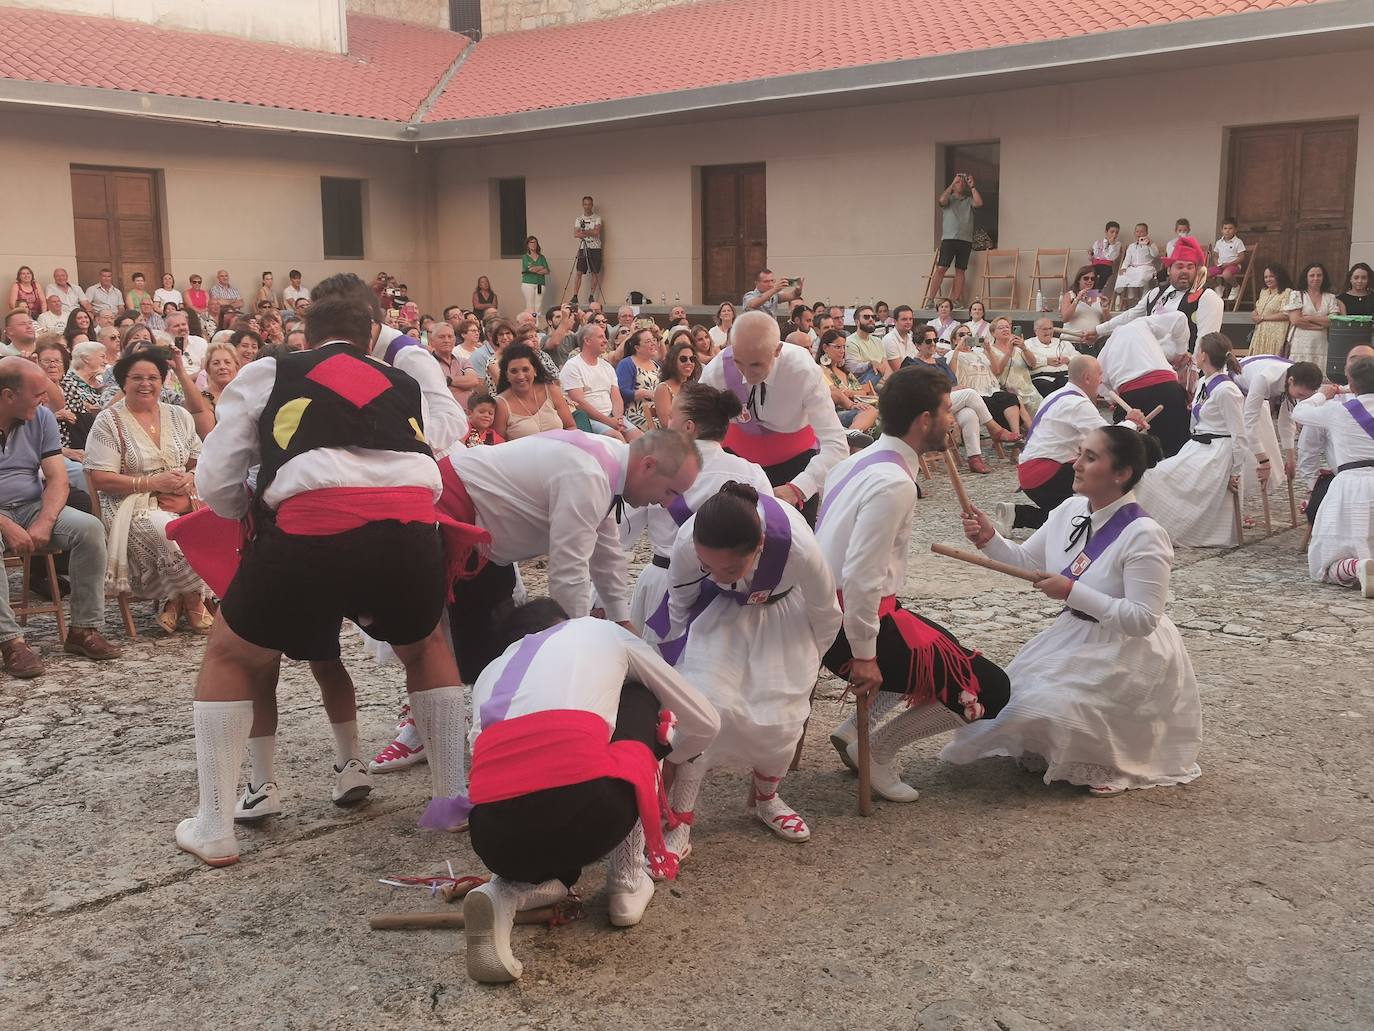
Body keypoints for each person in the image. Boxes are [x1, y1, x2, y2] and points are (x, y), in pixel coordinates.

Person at [173, 274, 467, 867]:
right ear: (371, 337)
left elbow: (217, 479)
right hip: (411, 531)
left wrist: (249, 511)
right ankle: (452, 801)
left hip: (312, 529)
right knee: (427, 643)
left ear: (305, 334)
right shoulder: (404, 381)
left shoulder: (269, 372)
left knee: (232, 654)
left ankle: (213, 826)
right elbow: (442, 437)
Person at [456, 602, 719, 983]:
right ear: (565, 623)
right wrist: (670, 755)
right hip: (595, 813)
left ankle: (505, 892)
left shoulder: (489, 674)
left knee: (538, 802)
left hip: (493, 837)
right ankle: (626, 883)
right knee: (642, 693)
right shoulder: (597, 631)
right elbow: (706, 720)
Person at [944, 426, 1201, 797]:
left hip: (1128, 651)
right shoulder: (1069, 509)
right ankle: (1067, 747)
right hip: (1075, 634)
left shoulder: (1144, 533)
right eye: (1079, 453)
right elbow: (1027, 560)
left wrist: (1072, 591)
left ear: (1122, 473)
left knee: (1054, 705)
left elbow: (1144, 619)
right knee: (1010, 700)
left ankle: (1110, 759)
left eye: (1090, 457)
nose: (1075, 464)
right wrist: (989, 539)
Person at [815, 366, 1011, 799]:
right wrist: (866, 655)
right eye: (946, 411)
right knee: (991, 687)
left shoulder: (860, 459)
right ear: (924, 420)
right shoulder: (893, 483)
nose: (952, 420)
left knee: (947, 645)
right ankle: (880, 750)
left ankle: (854, 733)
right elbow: (862, 576)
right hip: (848, 626)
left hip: (836, 611)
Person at [652, 481, 841, 850]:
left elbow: (826, 612)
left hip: (784, 616)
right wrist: (670, 654)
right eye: (709, 565)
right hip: (719, 612)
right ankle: (681, 820)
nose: (718, 573)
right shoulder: (691, 540)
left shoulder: (798, 548)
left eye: (730, 567)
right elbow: (680, 598)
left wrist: (809, 661)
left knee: (783, 718)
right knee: (702, 707)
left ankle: (767, 800)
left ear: (759, 547)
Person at [438, 428, 700, 686]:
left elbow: (607, 551)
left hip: (487, 539)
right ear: (648, 466)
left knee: (496, 649)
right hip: (452, 517)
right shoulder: (589, 474)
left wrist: (621, 619)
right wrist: (577, 643)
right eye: (670, 492)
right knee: (454, 654)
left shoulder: (610, 462)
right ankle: (438, 723)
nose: (666, 504)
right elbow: (569, 570)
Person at [0, 357, 122, 677]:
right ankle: (11, 642)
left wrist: (43, 520)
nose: (46, 399)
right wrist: (7, 525)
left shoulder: (41, 418)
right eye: (38, 393)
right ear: (8, 395)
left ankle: (84, 629)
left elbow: (57, 478)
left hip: (29, 505)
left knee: (90, 529)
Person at [82, 349, 211, 634]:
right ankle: (193, 600)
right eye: (137, 378)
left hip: (182, 497)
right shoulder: (109, 420)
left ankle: (173, 600)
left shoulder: (178, 415)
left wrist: (189, 479)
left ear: (162, 381)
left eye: (153, 377)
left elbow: (198, 460)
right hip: (129, 502)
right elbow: (100, 478)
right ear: (123, 382)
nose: (146, 384)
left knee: (217, 521)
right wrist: (151, 484)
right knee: (167, 530)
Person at [626, 383, 773, 632]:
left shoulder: (653, 466)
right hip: (727, 593)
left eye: (672, 416)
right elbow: (766, 537)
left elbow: (621, 532)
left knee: (657, 666)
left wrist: (601, 597)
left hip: (664, 587)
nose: (667, 422)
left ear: (688, 427)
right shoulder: (752, 473)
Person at [698, 310, 847, 524]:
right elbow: (699, 432)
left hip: (796, 463)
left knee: (795, 540)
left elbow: (836, 444)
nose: (746, 374)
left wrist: (798, 489)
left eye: (757, 364)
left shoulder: (803, 371)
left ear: (777, 350)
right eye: (739, 362)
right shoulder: (717, 370)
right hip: (739, 463)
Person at [1135, 332, 1248, 548]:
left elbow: (1239, 434)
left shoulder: (1227, 390)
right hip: (1197, 447)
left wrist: (1236, 471)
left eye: (1197, 349)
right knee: (1154, 474)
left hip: (1215, 453)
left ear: (1203, 355)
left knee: (1158, 477)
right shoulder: (1204, 382)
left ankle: (1161, 527)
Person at [990, 355, 1121, 533]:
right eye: (1099, 374)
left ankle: (1016, 514)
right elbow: (1110, 438)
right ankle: (1112, 522)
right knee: (1079, 516)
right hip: (1046, 475)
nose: (1102, 380)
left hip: (1032, 473)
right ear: (1088, 378)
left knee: (1065, 517)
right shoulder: (1078, 404)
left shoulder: (1055, 396)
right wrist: (1131, 422)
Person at [1085, 236, 1224, 380]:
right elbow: (1130, 316)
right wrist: (1098, 331)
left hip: (1184, 377)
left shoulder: (1207, 297)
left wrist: (1192, 373)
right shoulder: (1156, 293)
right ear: (1169, 270)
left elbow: (1206, 342)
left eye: (1190, 267)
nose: (1185, 271)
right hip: (1151, 369)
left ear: (1197, 270)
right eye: (1179, 266)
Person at [1294, 356, 1374, 592]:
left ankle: (1356, 566)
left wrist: (1324, 394)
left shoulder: (1337, 411)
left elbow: (1300, 411)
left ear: (1352, 382)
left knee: (1325, 563)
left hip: (1351, 486)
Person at [1096, 311, 1192, 458]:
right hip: (1168, 389)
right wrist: (1180, 352)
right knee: (1178, 452)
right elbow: (1180, 318)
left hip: (1132, 396)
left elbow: (1102, 386)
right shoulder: (1140, 324)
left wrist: (1113, 401)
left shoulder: (1104, 352)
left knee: (1129, 454)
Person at [947, 319, 1024, 438]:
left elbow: (997, 370)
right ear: (954, 339)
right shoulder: (952, 353)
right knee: (990, 403)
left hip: (992, 389)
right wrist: (958, 349)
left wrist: (988, 349)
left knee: (1010, 399)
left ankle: (1016, 435)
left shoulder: (979, 353)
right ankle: (1005, 435)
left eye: (969, 335)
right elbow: (952, 373)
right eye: (962, 335)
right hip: (974, 392)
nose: (966, 337)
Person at [560, 322, 634, 440]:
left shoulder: (607, 366)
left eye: (605, 336)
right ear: (587, 341)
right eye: (600, 337)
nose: (605, 340)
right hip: (588, 420)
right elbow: (579, 402)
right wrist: (609, 422)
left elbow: (616, 396)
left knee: (639, 438)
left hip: (612, 417)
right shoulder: (572, 366)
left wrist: (618, 419)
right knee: (616, 437)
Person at [492, 343, 576, 440]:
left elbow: (571, 427)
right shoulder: (501, 404)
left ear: (535, 370)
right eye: (514, 371)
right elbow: (499, 444)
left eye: (525, 369)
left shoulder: (551, 390)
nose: (520, 376)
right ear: (507, 375)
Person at [926, 173, 982, 305]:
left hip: (965, 240)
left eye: (963, 182)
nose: (960, 184)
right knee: (941, 269)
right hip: (949, 238)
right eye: (958, 182)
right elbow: (941, 201)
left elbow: (979, 203)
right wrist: (951, 184)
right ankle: (930, 299)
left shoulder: (969, 200)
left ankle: (956, 299)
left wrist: (972, 186)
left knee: (960, 270)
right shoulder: (949, 199)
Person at [818, 331, 878, 435]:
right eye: (837, 347)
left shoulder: (845, 372)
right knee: (870, 411)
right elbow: (837, 393)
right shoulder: (820, 369)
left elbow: (862, 392)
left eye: (844, 347)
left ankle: (854, 437)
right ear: (825, 347)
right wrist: (853, 394)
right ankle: (852, 435)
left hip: (857, 409)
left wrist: (850, 393)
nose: (842, 351)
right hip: (835, 413)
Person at [1285, 262, 1340, 368]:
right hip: (1300, 345)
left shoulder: (1330, 297)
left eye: (1319, 275)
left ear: (1324, 277)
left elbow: (1333, 320)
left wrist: (1311, 318)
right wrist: (1321, 325)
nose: (1316, 278)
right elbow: (1296, 320)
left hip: (1322, 344)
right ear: (1306, 277)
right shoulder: (1297, 295)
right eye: (1312, 275)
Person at [616, 328, 661, 430]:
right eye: (648, 341)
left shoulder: (656, 365)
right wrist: (644, 393)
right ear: (637, 347)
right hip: (636, 413)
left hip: (656, 412)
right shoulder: (627, 364)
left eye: (654, 340)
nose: (653, 343)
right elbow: (621, 391)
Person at [651, 338, 699, 430]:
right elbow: (667, 425)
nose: (689, 363)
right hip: (676, 439)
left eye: (692, 359)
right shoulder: (663, 389)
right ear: (673, 362)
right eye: (683, 359)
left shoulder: (694, 386)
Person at [1248, 264, 1293, 356]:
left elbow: (1286, 314)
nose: (1268, 279)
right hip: (1261, 333)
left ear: (1279, 276)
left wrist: (1263, 318)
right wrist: (1254, 314)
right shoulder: (1264, 291)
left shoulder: (1287, 292)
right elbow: (1258, 308)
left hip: (1276, 335)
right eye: (1266, 277)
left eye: (1271, 276)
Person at [843, 304, 893, 386]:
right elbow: (853, 369)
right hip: (862, 385)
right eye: (866, 317)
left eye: (873, 317)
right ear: (857, 322)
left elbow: (886, 367)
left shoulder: (878, 341)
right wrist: (870, 364)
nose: (871, 319)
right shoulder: (850, 341)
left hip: (882, 382)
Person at [1025, 317, 1074, 398]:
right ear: (1036, 331)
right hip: (1041, 378)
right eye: (1044, 329)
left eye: (1050, 328)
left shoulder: (1063, 342)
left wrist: (1068, 360)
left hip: (1064, 376)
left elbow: (1079, 358)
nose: (1048, 332)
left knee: (1069, 387)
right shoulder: (1028, 344)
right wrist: (1046, 361)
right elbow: (1027, 362)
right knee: (1047, 389)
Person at [1114, 224, 1159, 310]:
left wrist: (1150, 244)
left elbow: (1155, 254)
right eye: (1137, 231)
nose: (1139, 233)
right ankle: (1131, 296)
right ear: (1134, 233)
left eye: (1142, 231)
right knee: (1124, 275)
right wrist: (1123, 268)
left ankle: (1144, 298)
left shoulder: (1149, 244)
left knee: (1142, 275)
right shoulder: (1131, 246)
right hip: (1133, 268)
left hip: (1146, 267)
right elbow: (1127, 259)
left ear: (1146, 233)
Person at [571, 196, 603, 304]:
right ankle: (575, 295)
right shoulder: (579, 219)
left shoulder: (597, 218)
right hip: (583, 247)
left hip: (595, 247)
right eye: (585, 204)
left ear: (592, 205)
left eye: (589, 204)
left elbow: (597, 232)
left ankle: (591, 295)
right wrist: (590, 231)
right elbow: (576, 234)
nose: (587, 206)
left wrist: (583, 231)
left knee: (594, 272)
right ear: (583, 205)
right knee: (579, 271)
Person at [198, 341, 240, 412]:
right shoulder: (202, 400)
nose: (222, 367)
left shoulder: (244, 394)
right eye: (216, 363)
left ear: (237, 367)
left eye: (227, 362)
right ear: (208, 369)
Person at [1089, 221, 1122, 292]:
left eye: (1116, 232)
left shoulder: (1117, 244)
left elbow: (1111, 258)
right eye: (1112, 232)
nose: (1114, 234)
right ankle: (1080, 293)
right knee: (1087, 272)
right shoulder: (1098, 242)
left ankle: (1096, 293)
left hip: (1107, 266)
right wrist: (1090, 255)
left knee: (1104, 274)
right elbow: (1095, 256)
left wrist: (1112, 245)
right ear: (1106, 232)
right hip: (1096, 265)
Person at [519, 236, 548, 314]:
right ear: (528, 245)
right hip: (528, 284)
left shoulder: (542, 257)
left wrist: (536, 269)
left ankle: (537, 324)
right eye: (531, 242)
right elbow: (530, 269)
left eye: (535, 242)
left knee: (538, 305)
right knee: (530, 306)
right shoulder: (525, 257)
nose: (533, 244)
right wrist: (541, 267)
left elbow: (546, 270)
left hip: (539, 284)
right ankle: (530, 322)